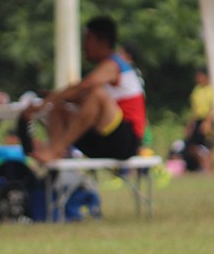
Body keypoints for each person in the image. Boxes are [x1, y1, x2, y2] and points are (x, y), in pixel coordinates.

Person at [19, 16, 145, 165]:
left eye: (88, 40)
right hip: (103, 138)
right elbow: (80, 97)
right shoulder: (104, 69)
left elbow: (83, 86)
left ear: (102, 42)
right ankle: (54, 153)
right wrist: (55, 98)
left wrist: (45, 102)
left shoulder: (113, 65)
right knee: (58, 107)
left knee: (95, 93)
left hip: (126, 143)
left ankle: (55, 150)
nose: (84, 46)